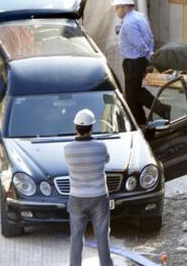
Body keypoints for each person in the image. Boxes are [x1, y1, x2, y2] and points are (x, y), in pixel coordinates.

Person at [112, 0, 170, 125]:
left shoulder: (129, 23)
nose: (116, 11)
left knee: (134, 92)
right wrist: (149, 54)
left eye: (117, 7)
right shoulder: (139, 16)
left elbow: (139, 43)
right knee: (131, 94)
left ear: (125, 7)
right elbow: (149, 37)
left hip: (133, 62)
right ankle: (139, 120)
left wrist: (150, 56)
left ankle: (162, 109)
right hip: (137, 60)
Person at [64, 109, 113, 266]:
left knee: (76, 237)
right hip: (99, 196)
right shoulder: (100, 147)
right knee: (102, 236)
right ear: (92, 128)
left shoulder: (68, 149)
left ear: (75, 127)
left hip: (77, 198)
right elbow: (106, 159)